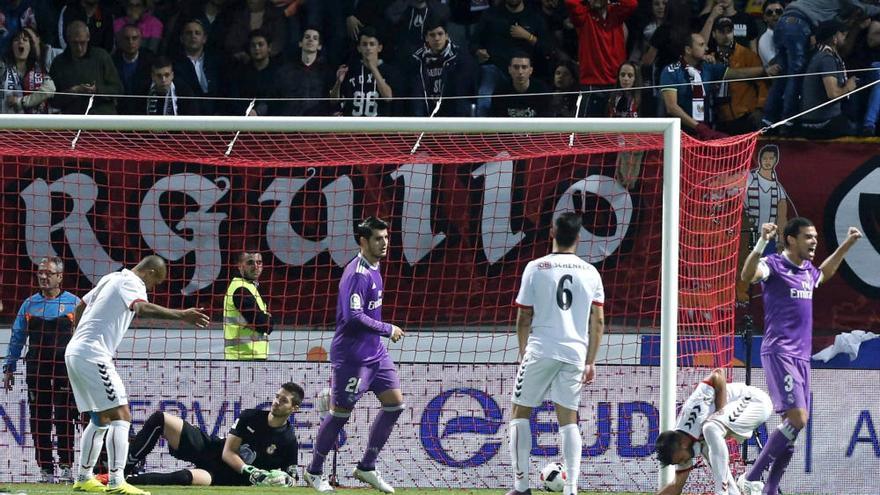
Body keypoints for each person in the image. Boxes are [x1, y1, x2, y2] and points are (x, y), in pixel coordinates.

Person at [65, 255, 210, 495]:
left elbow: (81, 305)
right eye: (157, 283)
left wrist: (78, 336)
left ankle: (83, 477)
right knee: (121, 415)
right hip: (93, 354)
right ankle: (116, 481)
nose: (153, 288)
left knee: (100, 418)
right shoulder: (133, 282)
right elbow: (141, 307)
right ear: (151, 272)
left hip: (76, 352)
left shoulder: (112, 277)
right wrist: (182, 315)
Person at [738, 218, 862, 495]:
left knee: (791, 428)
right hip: (780, 352)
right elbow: (747, 275)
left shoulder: (807, 270)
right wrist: (761, 243)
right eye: (808, 237)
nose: (814, 241)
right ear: (790, 239)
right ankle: (751, 478)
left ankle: (769, 490)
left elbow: (824, 273)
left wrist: (846, 245)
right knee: (798, 419)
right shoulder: (773, 265)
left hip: (802, 358)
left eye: (815, 237)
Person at [303, 216, 406, 494]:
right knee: (341, 415)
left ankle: (367, 466)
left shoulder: (376, 265)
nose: (384, 243)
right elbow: (352, 317)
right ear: (363, 241)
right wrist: (387, 328)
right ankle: (314, 472)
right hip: (353, 357)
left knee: (395, 405)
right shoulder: (357, 273)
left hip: (376, 353)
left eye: (386, 237)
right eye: (377, 238)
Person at [506, 212, 605, 495]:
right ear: (579, 237)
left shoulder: (536, 268)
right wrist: (591, 360)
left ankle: (521, 487)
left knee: (519, 413)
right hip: (575, 352)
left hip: (541, 348)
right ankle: (571, 489)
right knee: (568, 419)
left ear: (551, 232)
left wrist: (523, 353)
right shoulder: (591, 272)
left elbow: (523, 317)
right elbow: (597, 322)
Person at [124, 382, 303, 486]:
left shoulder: (289, 440)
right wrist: (251, 470)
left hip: (227, 477)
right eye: (277, 396)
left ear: (294, 408)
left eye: (283, 400)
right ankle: (120, 472)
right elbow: (228, 452)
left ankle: (129, 482)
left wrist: (284, 480)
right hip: (212, 450)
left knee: (183, 478)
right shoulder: (251, 416)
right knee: (160, 419)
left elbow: (293, 478)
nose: (276, 402)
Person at [2, 257, 79, 483]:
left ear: (60, 277)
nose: (43, 277)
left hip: (65, 371)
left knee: (65, 418)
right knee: (39, 419)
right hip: (37, 371)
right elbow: (17, 338)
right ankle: (46, 470)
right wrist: (9, 367)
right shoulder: (28, 305)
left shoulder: (75, 304)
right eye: (40, 273)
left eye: (48, 273)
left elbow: (85, 337)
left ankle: (66, 467)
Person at [654, 369, 773, 495]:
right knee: (709, 451)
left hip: (755, 402)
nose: (682, 462)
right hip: (738, 416)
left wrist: (720, 411)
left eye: (681, 459)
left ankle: (721, 491)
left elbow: (718, 374)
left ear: (681, 444)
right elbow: (677, 486)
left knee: (710, 427)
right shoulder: (684, 447)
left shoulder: (693, 413)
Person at [564, 0, 637, 116]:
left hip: (616, 85)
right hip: (591, 86)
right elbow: (570, 2)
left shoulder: (616, 14)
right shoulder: (583, 16)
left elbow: (631, 3)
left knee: (615, 132)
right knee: (585, 132)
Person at [799, 19, 858, 139]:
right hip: (820, 122)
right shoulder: (827, 59)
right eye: (842, 34)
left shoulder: (821, 54)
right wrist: (848, 87)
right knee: (856, 130)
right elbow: (833, 94)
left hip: (817, 119)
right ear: (834, 38)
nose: (844, 36)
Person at [49, 20, 123, 115]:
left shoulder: (101, 56)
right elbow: (52, 99)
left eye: (82, 43)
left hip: (102, 116)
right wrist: (72, 92)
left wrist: (96, 90)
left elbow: (118, 89)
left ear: (88, 38)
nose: (79, 48)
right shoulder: (58, 62)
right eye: (75, 43)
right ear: (68, 39)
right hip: (73, 118)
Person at [331, 27, 398, 117]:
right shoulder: (350, 69)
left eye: (372, 44)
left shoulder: (389, 71)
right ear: (359, 48)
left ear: (379, 48)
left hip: (378, 128)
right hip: (353, 126)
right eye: (364, 44)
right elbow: (333, 101)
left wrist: (372, 67)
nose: (368, 48)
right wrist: (338, 82)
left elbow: (388, 97)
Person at [223, 251, 273, 360]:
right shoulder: (241, 290)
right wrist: (268, 321)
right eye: (250, 263)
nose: (256, 266)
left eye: (259, 262)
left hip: (248, 357)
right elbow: (265, 325)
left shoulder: (250, 287)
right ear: (240, 266)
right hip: (243, 358)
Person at [2, 29, 56, 114]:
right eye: (16, 40)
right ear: (11, 47)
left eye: (25, 40)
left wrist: (22, 102)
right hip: (7, 123)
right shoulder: (3, 68)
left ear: (30, 46)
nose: (21, 42)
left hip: (34, 124)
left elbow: (50, 89)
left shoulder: (39, 69)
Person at [490, 52, 551, 118]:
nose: (520, 72)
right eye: (516, 67)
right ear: (509, 69)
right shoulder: (500, 91)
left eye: (524, 67)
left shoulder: (541, 91)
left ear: (531, 70)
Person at [112, 24, 154, 115]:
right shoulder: (113, 61)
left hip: (144, 112)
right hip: (119, 113)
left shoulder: (151, 60)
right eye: (127, 38)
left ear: (140, 40)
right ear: (120, 40)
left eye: (134, 38)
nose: (130, 42)